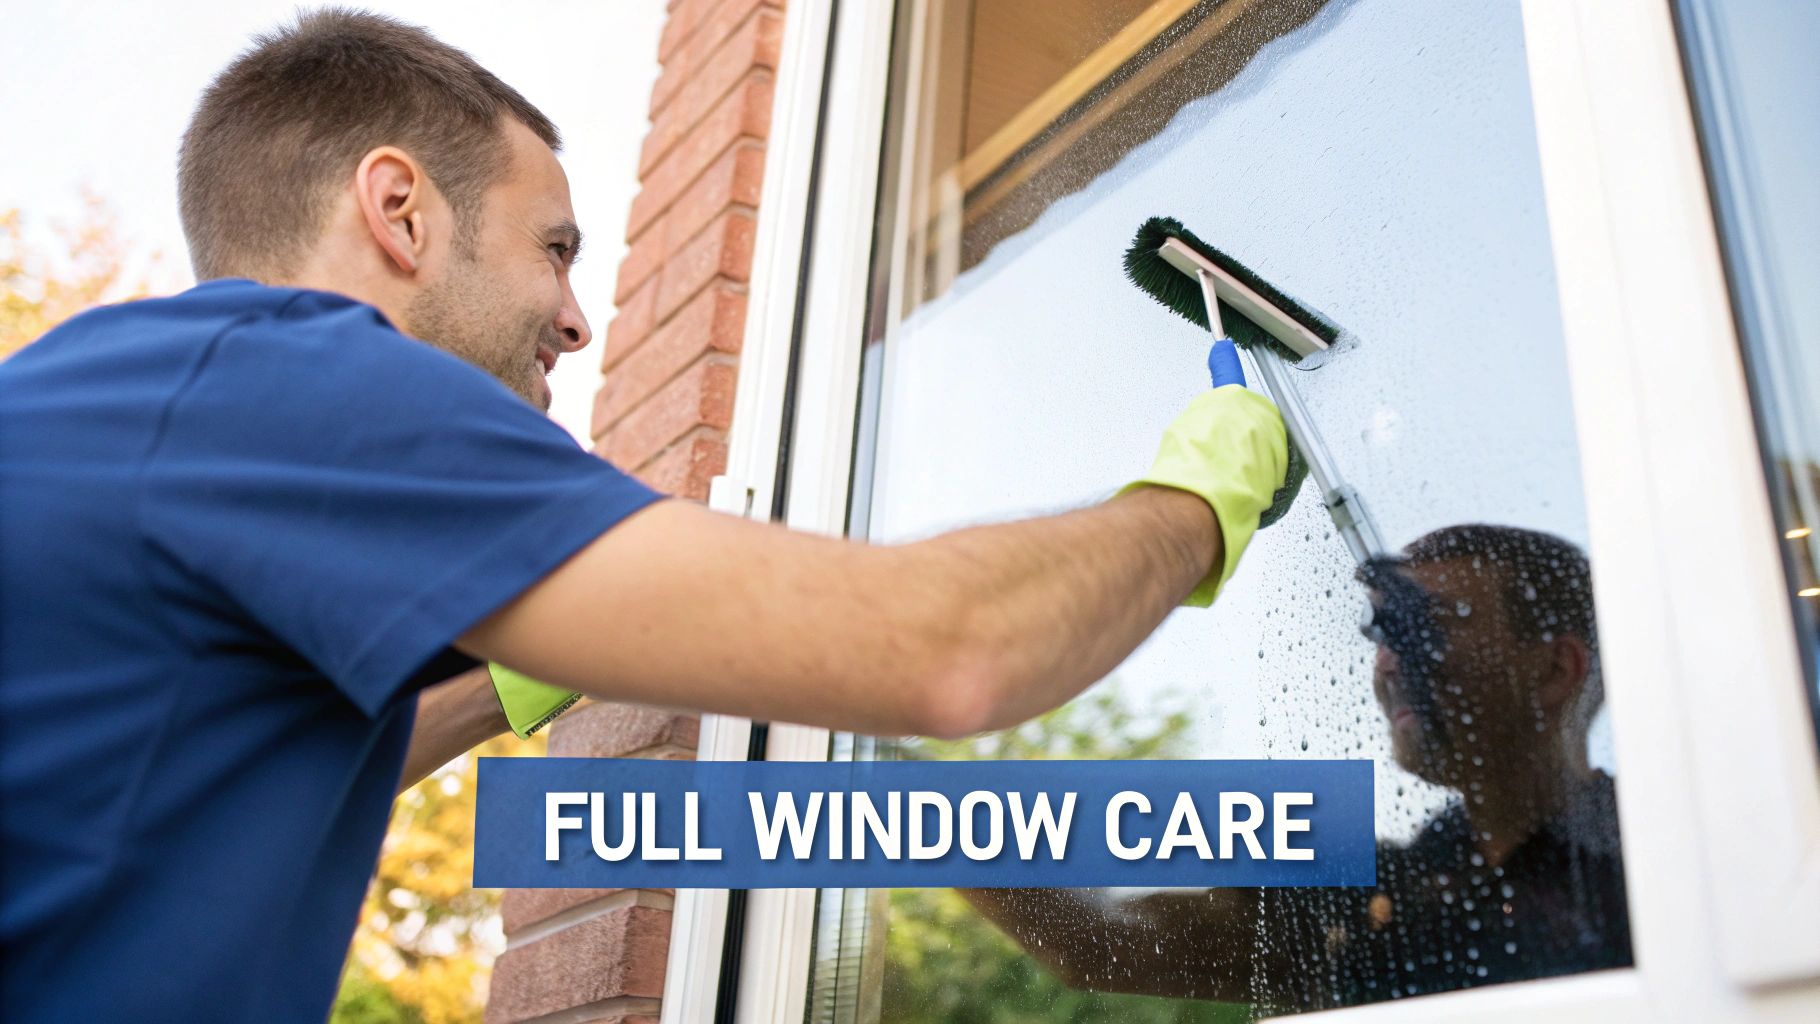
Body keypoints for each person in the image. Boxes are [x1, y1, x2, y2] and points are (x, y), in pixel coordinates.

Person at [0, 10, 1290, 1022]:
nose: (575, 316)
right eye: (552, 247)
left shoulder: (127, 394)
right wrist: (1195, 500)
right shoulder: (295, 372)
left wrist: (516, 669)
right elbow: (943, 649)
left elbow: (249, 767)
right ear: (399, 210)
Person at [962, 524, 1631, 1012]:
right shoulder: (1377, 888)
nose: (1389, 662)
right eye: (1382, 631)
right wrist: (913, 802)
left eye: (1425, 626)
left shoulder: (1658, 864)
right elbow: (1098, 943)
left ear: (1552, 669)